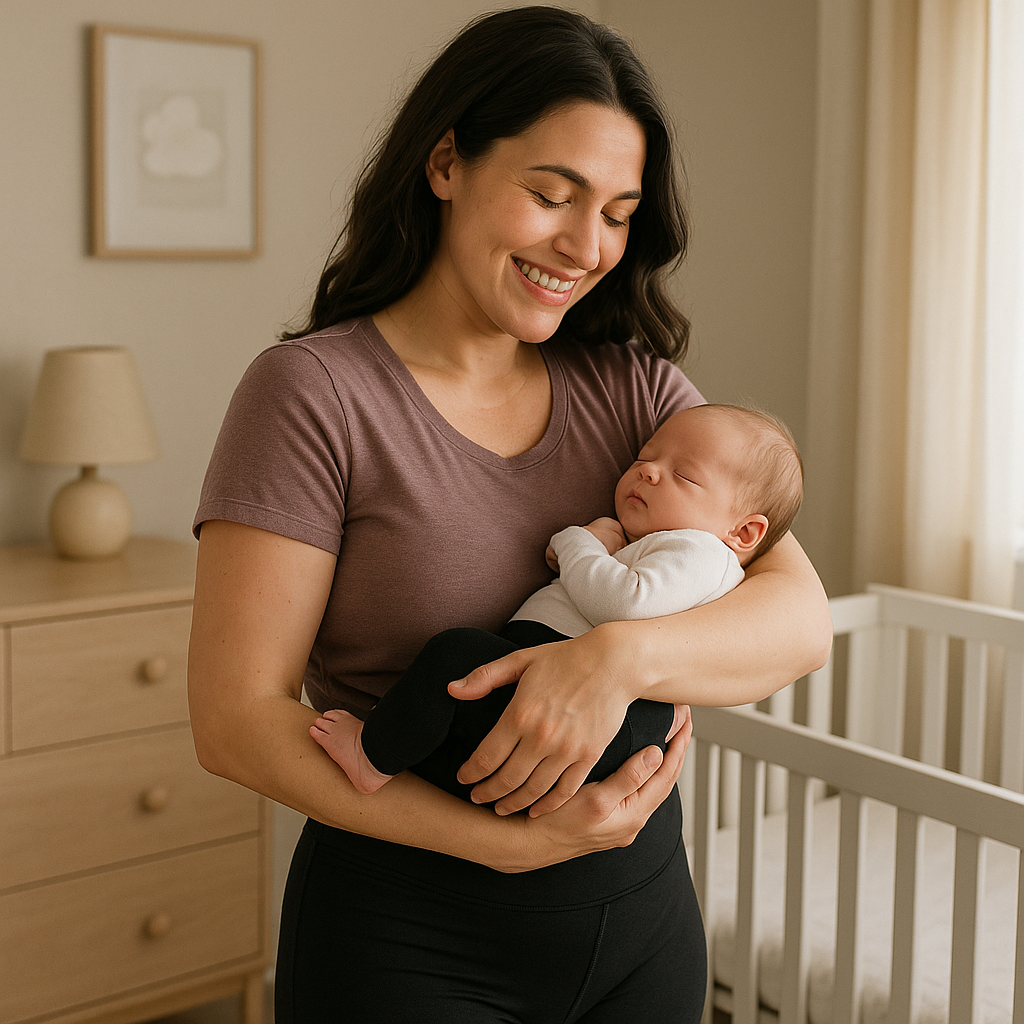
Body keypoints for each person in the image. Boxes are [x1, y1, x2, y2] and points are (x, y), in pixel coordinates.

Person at [187, 8, 832, 1023]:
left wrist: (611, 660)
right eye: (551, 195)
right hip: (415, 938)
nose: (586, 245)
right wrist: (506, 844)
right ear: (447, 163)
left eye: (617, 213)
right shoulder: (315, 394)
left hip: (642, 924)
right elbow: (234, 721)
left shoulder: (637, 391)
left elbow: (799, 622)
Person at [310, 403, 804, 801]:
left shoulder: (699, 550)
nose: (650, 472)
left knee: (455, 654)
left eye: (685, 476)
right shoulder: (674, 547)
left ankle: (372, 755)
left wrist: (578, 541)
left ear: (744, 532)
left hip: (578, 683)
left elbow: (625, 603)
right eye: (643, 458)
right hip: (582, 698)